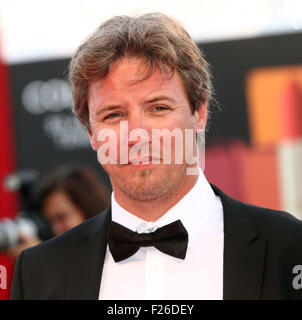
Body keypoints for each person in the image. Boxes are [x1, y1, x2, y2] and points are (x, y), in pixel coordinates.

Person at [11, 13, 302, 300]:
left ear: (199, 112)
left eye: (158, 108)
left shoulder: (288, 247)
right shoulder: (38, 273)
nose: (137, 134)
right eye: (114, 115)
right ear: (90, 132)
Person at [7, 165, 111, 260]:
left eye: (61, 217)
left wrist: (41, 259)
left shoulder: (116, 251)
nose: (55, 229)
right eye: (49, 221)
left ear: (88, 210)